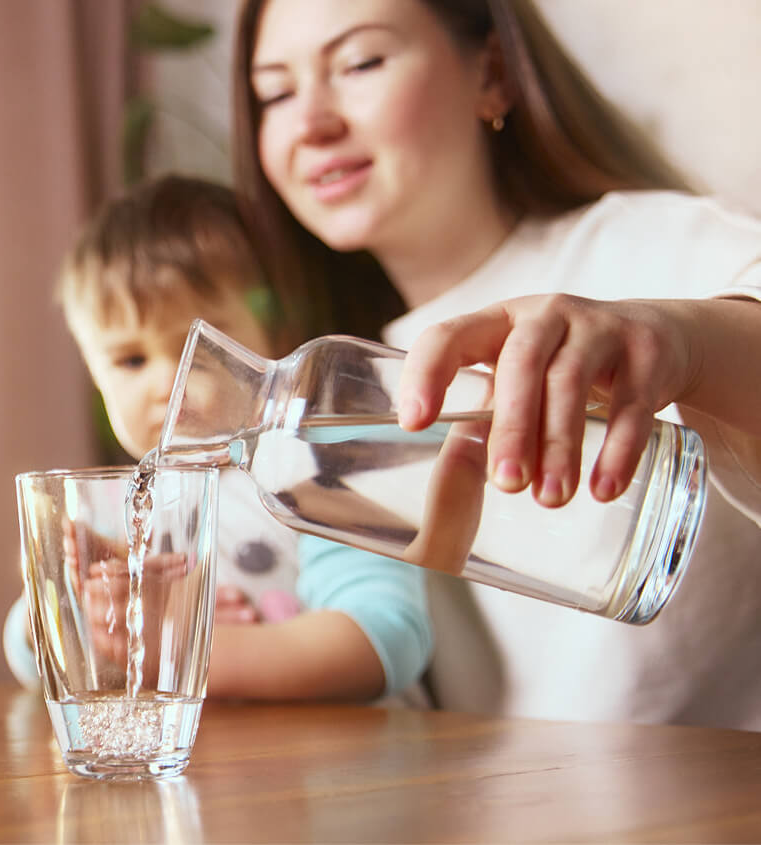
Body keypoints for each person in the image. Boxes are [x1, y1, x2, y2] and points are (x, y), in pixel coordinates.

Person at [230, 0, 761, 727]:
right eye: (276, 92)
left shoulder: (659, 252)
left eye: (358, 63)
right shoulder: (329, 399)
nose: (311, 123)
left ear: (492, 73)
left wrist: (687, 343)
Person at [4, 174, 433, 704]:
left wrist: (185, 650)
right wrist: (68, 599)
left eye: (195, 346)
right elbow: (30, 660)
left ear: (276, 339)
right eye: (131, 360)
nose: (167, 382)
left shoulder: (319, 470)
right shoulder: (122, 507)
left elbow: (386, 636)